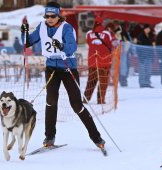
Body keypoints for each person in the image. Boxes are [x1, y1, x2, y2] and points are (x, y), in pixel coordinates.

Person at [21, 1, 105, 150]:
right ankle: (49, 137)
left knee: (76, 105)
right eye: (47, 16)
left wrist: (62, 46)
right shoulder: (42, 26)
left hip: (67, 69)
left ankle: (96, 137)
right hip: (51, 68)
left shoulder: (67, 28)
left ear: (59, 15)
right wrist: (24, 32)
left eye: (52, 16)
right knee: (51, 102)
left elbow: (72, 47)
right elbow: (27, 43)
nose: (49, 19)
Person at [83, 16, 113, 104]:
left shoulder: (89, 33)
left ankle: (85, 99)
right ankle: (100, 100)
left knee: (91, 82)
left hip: (92, 62)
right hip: (104, 62)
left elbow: (88, 43)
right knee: (103, 82)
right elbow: (110, 45)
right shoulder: (107, 34)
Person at [137, 24, 155, 88]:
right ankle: (142, 83)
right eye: (146, 28)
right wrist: (140, 56)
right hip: (142, 56)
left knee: (148, 70)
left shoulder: (151, 36)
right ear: (144, 29)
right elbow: (138, 47)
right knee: (142, 70)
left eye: (148, 28)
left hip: (149, 56)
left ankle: (147, 83)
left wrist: (152, 56)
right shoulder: (140, 36)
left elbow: (152, 46)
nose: (147, 30)